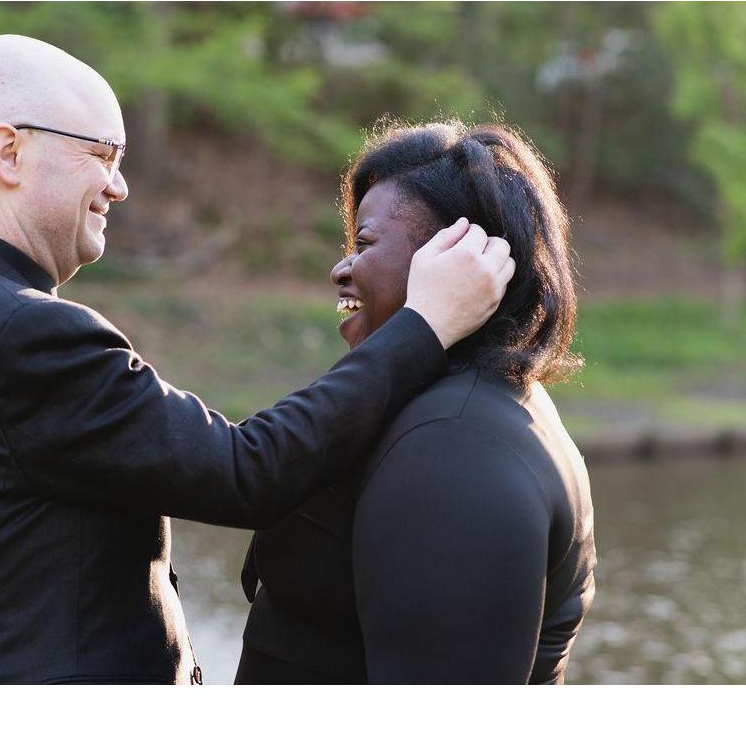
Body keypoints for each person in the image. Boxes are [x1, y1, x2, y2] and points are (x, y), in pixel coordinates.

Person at [0, 36, 515, 685]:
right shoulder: (23, 333)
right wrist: (425, 324)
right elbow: (246, 470)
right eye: (102, 154)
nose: (118, 187)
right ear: (10, 153)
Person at [236, 120, 596, 685]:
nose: (339, 269)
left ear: (459, 258)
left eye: (363, 244)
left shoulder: (456, 446)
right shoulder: (454, 405)